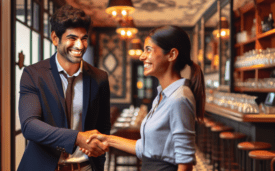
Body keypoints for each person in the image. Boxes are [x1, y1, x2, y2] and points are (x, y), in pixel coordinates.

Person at [80, 25, 205, 171]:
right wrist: (107, 139)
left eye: (149, 50)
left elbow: (185, 162)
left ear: (171, 55)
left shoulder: (179, 98)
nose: (141, 56)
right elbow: (146, 148)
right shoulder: (162, 95)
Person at [17, 4, 111, 171]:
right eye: (72, 38)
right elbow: (29, 126)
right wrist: (77, 138)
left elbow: (103, 129)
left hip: (86, 167)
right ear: (55, 38)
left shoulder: (100, 78)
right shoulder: (33, 74)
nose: (80, 45)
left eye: (84, 38)